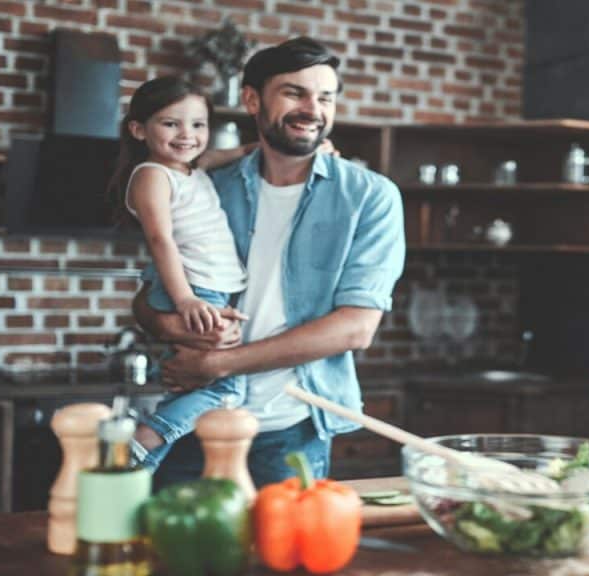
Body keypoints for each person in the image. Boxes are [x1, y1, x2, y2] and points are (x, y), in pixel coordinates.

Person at [132, 37, 405, 488]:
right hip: (194, 421)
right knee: (169, 553)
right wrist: (169, 327)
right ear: (252, 100)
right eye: (295, 93)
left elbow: (357, 328)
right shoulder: (207, 186)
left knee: (280, 559)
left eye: (325, 97)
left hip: (289, 431)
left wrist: (221, 363)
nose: (312, 109)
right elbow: (147, 300)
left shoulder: (369, 198)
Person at [108, 76, 254, 470]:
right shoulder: (152, 175)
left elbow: (216, 157)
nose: (187, 135)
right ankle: (145, 438)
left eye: (198, 124)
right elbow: (160, 241)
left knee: (196, 381)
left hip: (210, 288)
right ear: (139, 130)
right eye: (171, 124)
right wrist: (186, 298)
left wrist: (250, 149)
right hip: (194, 288)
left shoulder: (191, 168)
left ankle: (137, 465)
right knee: (227, 385)